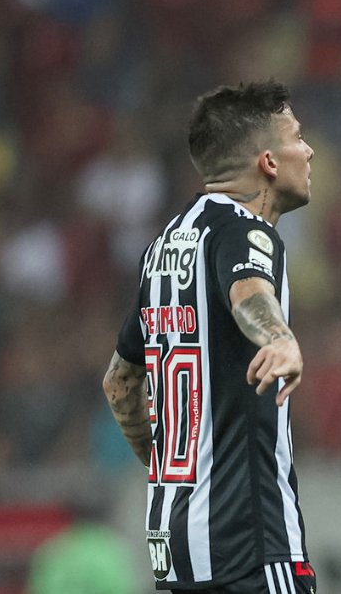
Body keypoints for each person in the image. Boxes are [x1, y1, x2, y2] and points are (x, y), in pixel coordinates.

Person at [101, 81, 317, 593]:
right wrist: (279, 339)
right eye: (297, 136)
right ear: (268, 160)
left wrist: (181, 474)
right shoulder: (245, 230)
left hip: (178, 549)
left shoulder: (163, 248)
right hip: (252, 547)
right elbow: (249, 293)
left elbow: (119, 382)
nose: (307, 151)